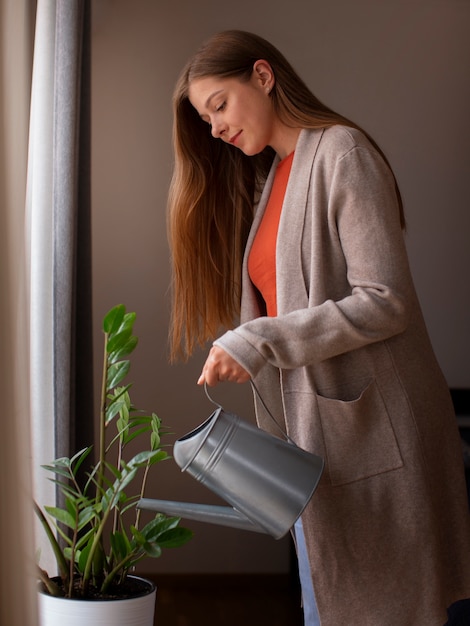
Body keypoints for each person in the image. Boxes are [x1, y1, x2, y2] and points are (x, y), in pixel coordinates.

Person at [166, 30, 470, 625]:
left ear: (262, 74)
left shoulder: (341, 152)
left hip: (375, 440)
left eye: (219, 106)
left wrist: (255, 340)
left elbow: (385, 301)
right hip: (312, 450)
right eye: (205, 120)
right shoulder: (274, 180)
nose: (216, 130)